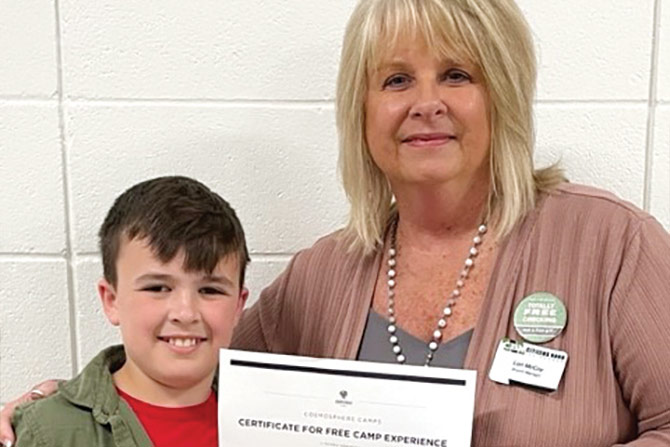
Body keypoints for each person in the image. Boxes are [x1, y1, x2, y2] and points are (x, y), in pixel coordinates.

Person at [2, 0, 670, 446]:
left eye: (457, 74)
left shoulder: (613, 245)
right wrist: (65, 409)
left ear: (505, 95)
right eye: (396, 80)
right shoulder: (322, 275)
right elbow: (190, 367)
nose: (426, 103)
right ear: (362, 110)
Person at [8, 176, 249, 446]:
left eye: (210, 290)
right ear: (111, 300)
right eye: (158, 288)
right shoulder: (47, 434)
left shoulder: (270, 423)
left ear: (238, 306)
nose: (185, 313)